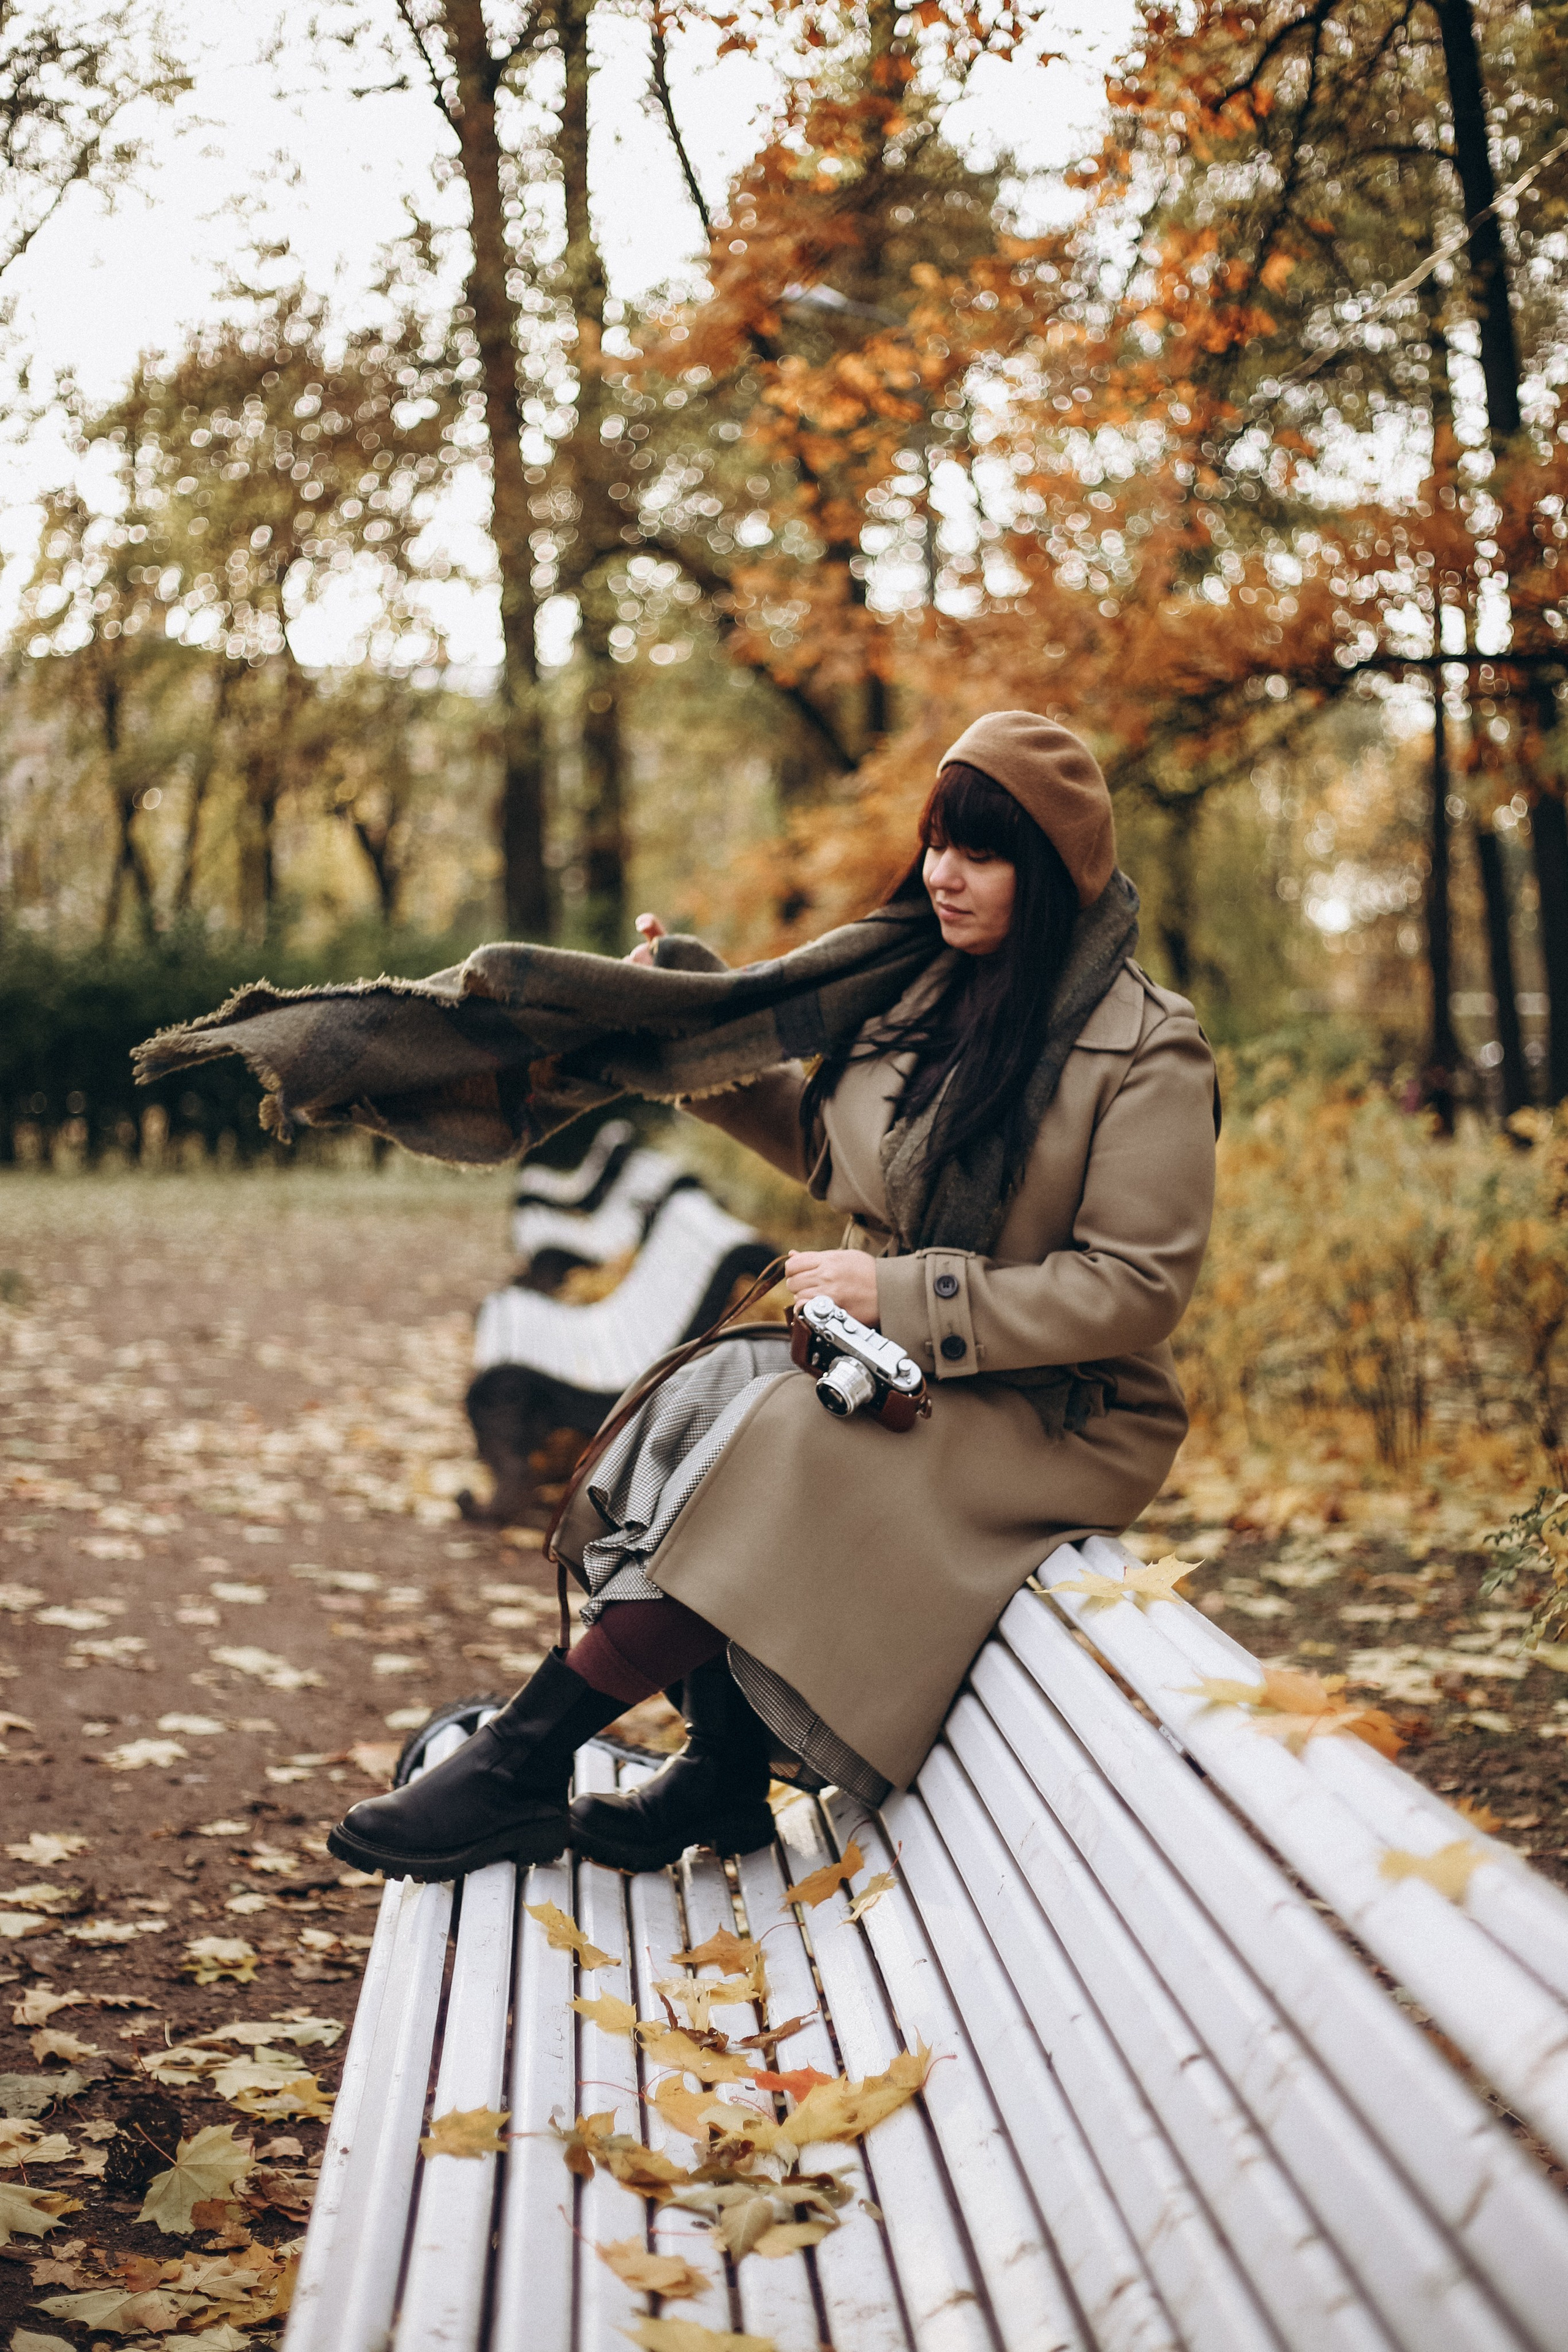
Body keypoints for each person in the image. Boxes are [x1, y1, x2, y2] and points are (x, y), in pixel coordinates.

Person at [326, 710, 1218, 1883]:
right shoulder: (930, 995)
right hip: (917, 1373)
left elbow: (1136, 1290)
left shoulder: (1149, 1049)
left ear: (1051, 878)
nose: (941, 875)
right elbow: (834, 1154)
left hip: (1063, 1411)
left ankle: (520, 1762)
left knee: (790, 1433)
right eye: (936, 843)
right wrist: (691, 1031)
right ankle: (723, 1769)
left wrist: (901, 1292)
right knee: (714, 1390)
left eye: (980, 854)